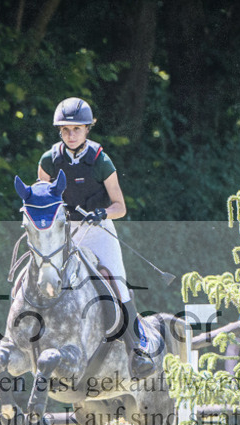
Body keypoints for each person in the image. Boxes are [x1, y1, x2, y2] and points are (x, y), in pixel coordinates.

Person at [36, 97, 156, 379]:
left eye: (77, 129)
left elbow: (120, 207)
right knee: (45, 276)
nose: (71, 135)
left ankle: (137, 349)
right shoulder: (49, 160)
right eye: (65, 130)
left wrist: (102, 213)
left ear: (88, 129)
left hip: (98, 231)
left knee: (117, 281)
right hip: (64, 233)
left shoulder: (100, 160)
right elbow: (43, 200)